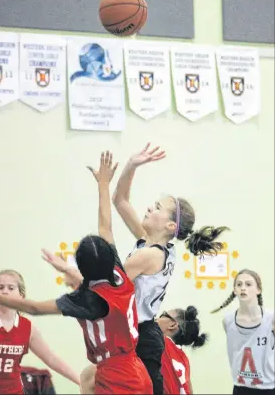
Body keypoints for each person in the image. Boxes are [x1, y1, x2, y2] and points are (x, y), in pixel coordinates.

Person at [0, 151, 153, 395]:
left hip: (119, 377)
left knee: (89, 377)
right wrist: (103, 183)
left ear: (82, 269)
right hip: (135, 368)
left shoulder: (88, 300)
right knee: (87, 378)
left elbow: (34, 308)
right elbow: (106, 226)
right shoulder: (118, 273)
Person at [59, 143, 229, 395]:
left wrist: (78, 276)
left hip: (141, 337)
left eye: (158, 208)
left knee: (97, 380)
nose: (150, 208)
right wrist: (132, 164)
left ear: (171, 226)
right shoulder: (153, 244)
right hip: (136, 333)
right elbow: (121, 200)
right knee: (89, 378)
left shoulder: (149, 256)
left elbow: (107, 264)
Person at [211, 269, 274, 395]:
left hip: (268, 388)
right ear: (234, 290)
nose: (243, 288)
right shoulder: (228, 321)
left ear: (258, 290)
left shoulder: (271, 319)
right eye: (239, 284)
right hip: (240, 387)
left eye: (248, 284)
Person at [157, 306, 208, 394]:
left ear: (172, 325)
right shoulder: (184, 361)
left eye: (163, 315)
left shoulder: (160, 342)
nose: (157, 318)